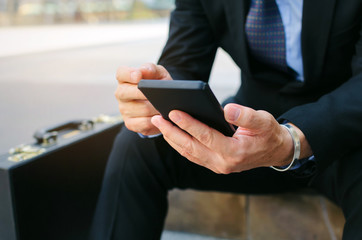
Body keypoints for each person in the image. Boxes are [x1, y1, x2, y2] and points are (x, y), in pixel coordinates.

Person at [90, 0, 362, 239]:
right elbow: (183, 61)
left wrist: (293, 138)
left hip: (345, 132)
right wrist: (157, 100)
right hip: (247, 127)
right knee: (136, 146)